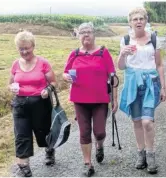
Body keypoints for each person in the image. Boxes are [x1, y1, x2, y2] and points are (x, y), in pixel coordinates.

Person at [63, 22, 118, 177]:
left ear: (94, 34)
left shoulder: (103, 53)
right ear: (78, 36)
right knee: (84, 132)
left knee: (99, 132)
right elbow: (65, 72)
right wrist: (66, 77)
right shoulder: (74, 54)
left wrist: (114, 98)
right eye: (82, 32)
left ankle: (99, 146)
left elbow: (113, 77)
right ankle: (88, 163)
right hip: (79, 100)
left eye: (88, 32)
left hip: (100, 99)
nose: (86, 35)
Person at [118, 7, 166, 174]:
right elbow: (121, 67)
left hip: (150, 84)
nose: (138, 21)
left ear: (146, 21)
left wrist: (163, 87)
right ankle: (141, 153)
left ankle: (151, 154)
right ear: (130, 22)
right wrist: (122, 54)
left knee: (147, 122)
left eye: (141, 18)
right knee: (137, 121)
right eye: (135, 19)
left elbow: (159, 65)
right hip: (132, 83)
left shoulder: (154, 39)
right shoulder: (125, 40)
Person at [9, 30, 57, 177]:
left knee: (43, 132)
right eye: (21, 48)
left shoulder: (43, 63)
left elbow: (54, 82)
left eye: (26, 48)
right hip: (20, 105)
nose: (24, 51)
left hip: (40, 104)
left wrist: (47, 90)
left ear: (33, 46)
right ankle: (24, 165)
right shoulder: (15, 64)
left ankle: (49, 150)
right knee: (21, 134)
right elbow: (10, 83)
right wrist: (12, 88)